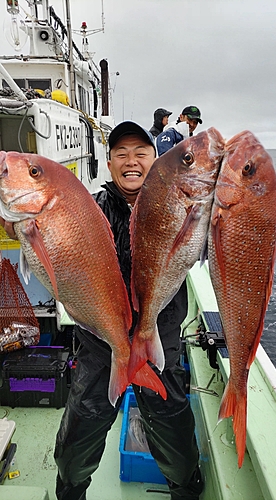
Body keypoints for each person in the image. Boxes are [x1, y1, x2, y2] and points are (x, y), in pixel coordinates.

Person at [0, 121, 204, 500]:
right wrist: (17, 227)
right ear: (109, 164)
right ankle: (71, 489)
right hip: (98, 345)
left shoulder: (178, 203)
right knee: (77, 443)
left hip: (161, 342)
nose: (131, 162)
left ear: (154, 159)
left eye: (140, 153)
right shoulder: (88, 206)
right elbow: (56, 245)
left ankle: (185, 487)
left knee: (176, 438)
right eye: (121, 154)